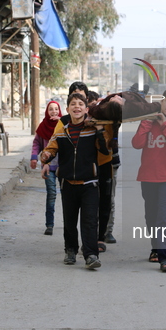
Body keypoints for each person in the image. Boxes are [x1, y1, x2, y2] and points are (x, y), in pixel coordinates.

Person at [40, 93, 108, 270]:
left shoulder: (92, 130)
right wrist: (45, 156)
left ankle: (91, 254)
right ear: (68, 109)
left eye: (80, 104)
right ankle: (70, 250)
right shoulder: (62, 130)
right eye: (73, 104)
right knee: (70, 221)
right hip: (68, 183)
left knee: (90, 221)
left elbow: (105, 150)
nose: (76, 107)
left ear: (86, 109)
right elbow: (51, 148)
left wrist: (100, 129)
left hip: (89, 183)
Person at [131, 89, 166, 272]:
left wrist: (165, 126)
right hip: (148, 176)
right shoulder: (147, 121)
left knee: (164, 217)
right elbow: (137, 144)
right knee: (151, 216)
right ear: (161, 101)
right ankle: (155, 248)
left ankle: (165, 257)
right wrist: (147, 123)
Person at [31, 100, 62, 236]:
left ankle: (69, 223)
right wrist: (33, 157)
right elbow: (37, 143)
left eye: (56, 109)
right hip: (48, 167)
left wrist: (62, 122)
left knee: (68, 196)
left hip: (64, 167)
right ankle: (49, 225)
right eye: (51, 109)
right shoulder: (43, 126)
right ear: (47, 111)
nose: (54, 111)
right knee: (51, 194)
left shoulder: (64, 125)